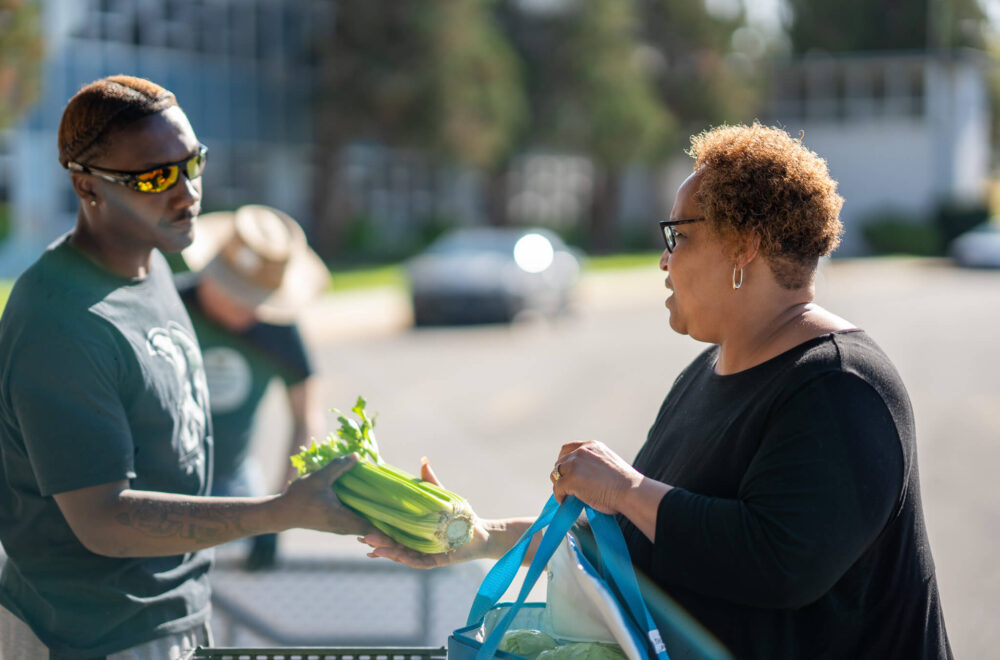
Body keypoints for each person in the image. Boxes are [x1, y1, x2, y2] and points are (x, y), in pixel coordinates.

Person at [363, 123, 953, 659]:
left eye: (679, 236)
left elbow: (781, 563)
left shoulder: (840, 385)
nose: (663, 261)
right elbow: (645, 539)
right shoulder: (706, 371)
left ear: (744, 244)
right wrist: (471, 537)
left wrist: (627, 488)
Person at [0, 75, 369, 659]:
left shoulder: (152, 267)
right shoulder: (60, 319)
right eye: (154, 177)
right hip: (90, 636)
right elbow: (102, 520)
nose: (186, 191)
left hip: (174, 618)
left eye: (192, 162)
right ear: (87, 186)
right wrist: (277, 513)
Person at [175, 204, 329, 570]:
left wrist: (280, 512)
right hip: (155, 483)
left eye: (254, 299)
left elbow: (306, 417)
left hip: (234, 486)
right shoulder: (170, 307)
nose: (244, 308)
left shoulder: (279, 331)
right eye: (233, 292)